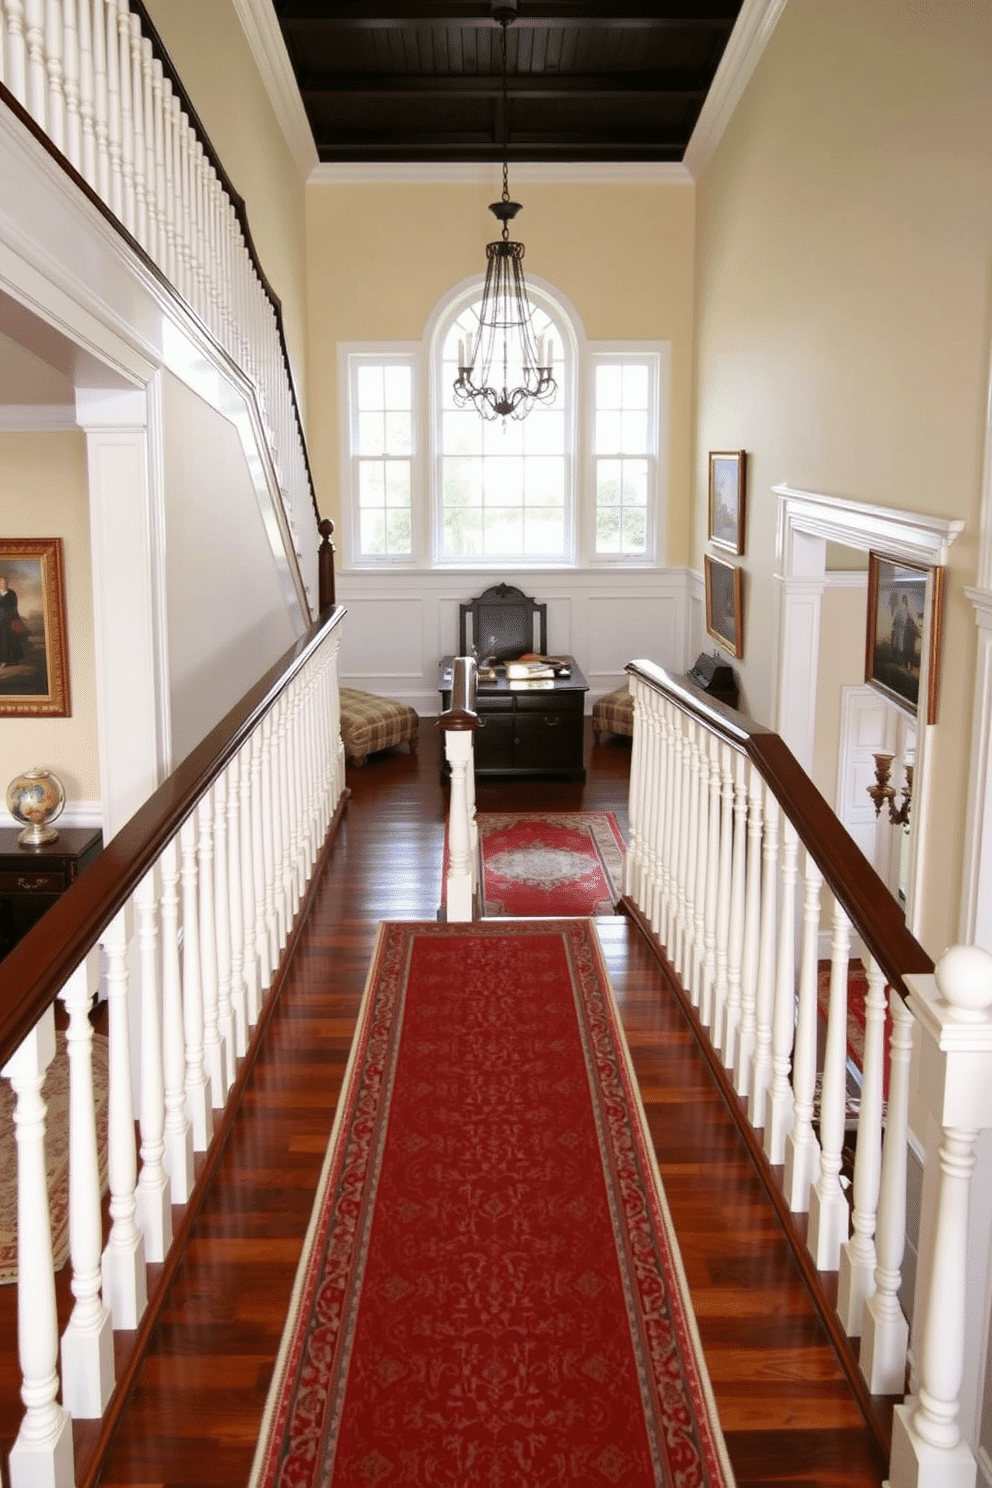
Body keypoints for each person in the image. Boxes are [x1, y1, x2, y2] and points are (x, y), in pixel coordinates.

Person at [0, 574, 26, 667]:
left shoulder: (11, 593)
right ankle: (3, 660)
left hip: (9, 619)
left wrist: (14, 617)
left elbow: (14, 605)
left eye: (5, 582)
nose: (4, 584)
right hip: (0, 619)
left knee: (11, 640)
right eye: (2, 582)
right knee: (1, 640)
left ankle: (12, 660)